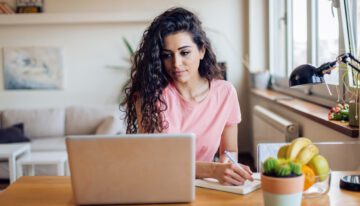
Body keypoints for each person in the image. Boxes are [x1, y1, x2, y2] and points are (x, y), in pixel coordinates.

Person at [121, 7, 253, 185]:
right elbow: (157, 163)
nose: (176, 64)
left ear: (201, 51)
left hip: (205, 185)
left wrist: (230, 170)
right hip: (159, 185)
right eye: (167, 55)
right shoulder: (150, 96)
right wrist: (213, 170)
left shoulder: (225, 93)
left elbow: (229, 152)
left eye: (184, 53)